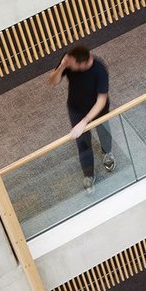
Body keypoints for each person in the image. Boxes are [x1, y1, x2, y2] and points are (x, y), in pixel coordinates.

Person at [48, 45, 114, 191]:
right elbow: (52, 82)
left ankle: (107, 152)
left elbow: (102, 99)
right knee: (82, 142)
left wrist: (85, 121)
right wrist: (62, 67)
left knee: (104, 131)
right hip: (76, 109)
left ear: (83, 64)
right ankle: (88, 174)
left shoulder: (99, 69)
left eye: (72, 65)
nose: (70, 66)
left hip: (98, 109)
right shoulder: (69, 61)